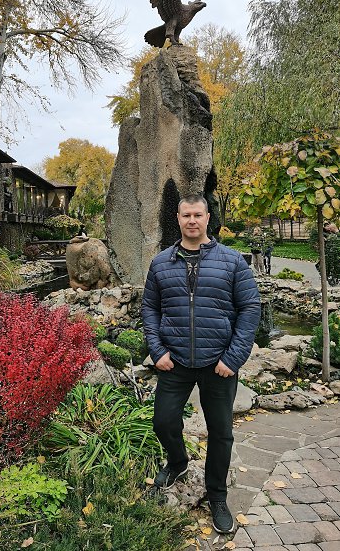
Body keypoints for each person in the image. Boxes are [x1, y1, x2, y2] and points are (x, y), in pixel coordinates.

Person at [142, 194, 261, 534]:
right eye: (186, 215)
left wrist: (233, 357)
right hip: (175, 360)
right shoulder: (161, 263)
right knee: (163, 421)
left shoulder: (232, 261)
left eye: (197, 215)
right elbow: (150, 308)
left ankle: (217, 496)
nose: (192, 220)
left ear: (208, 218)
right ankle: (178, 462)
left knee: (221, 433)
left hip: (218, 363)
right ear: (178, 219)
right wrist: (157, 350)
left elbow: (250, 308)